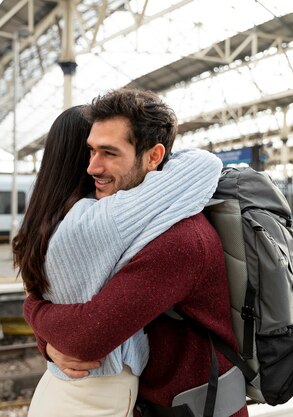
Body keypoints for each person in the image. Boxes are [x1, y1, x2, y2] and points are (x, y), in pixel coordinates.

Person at [23, 89, 249, 417]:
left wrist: (32, 308)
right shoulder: (138, 223)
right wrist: (50, 343)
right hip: (155, 405)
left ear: (154, 156)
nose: (92, 167)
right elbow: (76, 318)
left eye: (110, 153)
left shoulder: (179, 240)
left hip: (199, 408)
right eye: (91, 151)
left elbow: (87, 336)